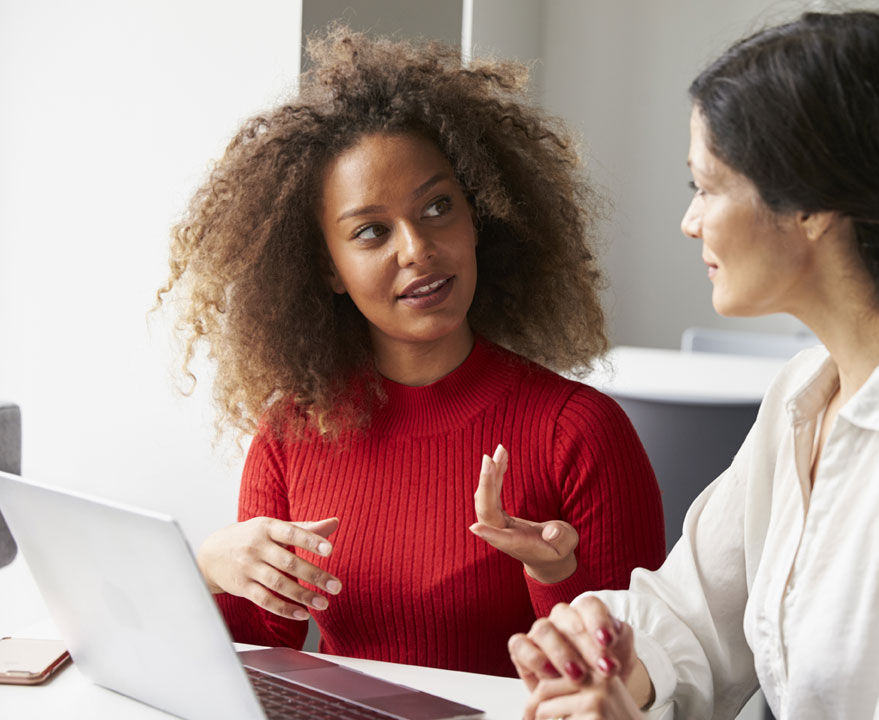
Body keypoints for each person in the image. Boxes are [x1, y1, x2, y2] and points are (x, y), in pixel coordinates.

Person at [508, 10, 879, 718]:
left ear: (814, 205)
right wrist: (603, 658)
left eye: (706, 186)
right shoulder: (804, 396)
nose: (690, 220)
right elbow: (694, 616)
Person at [156, 27, 665, 678]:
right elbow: (258, 655)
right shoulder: (289, 434)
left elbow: (628, 684)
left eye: (437, 208)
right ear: (329, 268)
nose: (417, 249)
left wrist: (553, 573)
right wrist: (208, 573)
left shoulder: (581, 433)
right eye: (371, 231)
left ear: (477, 218)